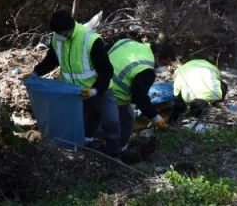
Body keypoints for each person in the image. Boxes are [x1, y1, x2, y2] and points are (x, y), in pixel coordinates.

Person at [23, 9, 122, 158]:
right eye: (58, 33)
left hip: (98, 89)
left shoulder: (91, 40)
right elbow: (51, 61)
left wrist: (94, 91)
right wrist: (35, 73)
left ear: (70, 29)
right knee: (76, 125)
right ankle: (81, 152)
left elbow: (106, 72)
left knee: (112, 121)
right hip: (72, 92)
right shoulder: (57, 39)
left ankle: (114, 154)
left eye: (63, 33)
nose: (61, 36)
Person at [107, 39, 168, 155]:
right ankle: (119, 151)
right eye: (165, 63)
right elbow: (139, 98)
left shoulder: (128, 42)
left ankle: (88, 140)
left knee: (93, 116)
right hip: (113, 93)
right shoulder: (146, 68)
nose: (164, 67)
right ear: (158, 56)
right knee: (127, 118)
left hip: (95, 83)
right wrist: (155, 118)